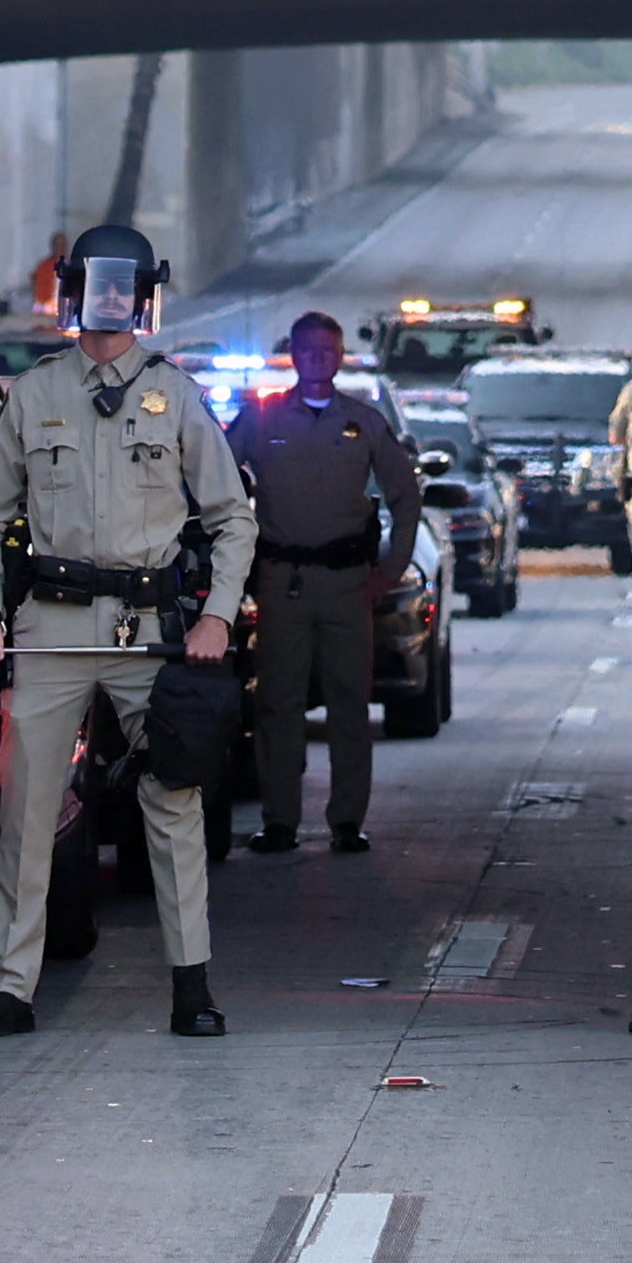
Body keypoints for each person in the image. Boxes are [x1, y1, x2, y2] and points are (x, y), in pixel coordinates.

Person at [0, 216, 254, 1036]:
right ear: (71, 293)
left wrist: (218, 618)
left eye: (128, 288)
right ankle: (9, 987)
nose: (113, 301)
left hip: (149, 625)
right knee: (28, 808)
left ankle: (192, 984)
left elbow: (233, 518)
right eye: (99, 286)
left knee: (173, 796)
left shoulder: (178, 394)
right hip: (51, 622)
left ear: (148, 297)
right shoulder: (36, 392)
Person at [222, 305, 422, 860]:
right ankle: (280, 821)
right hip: (282, 580)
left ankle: (347, 823)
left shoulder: (363, 422)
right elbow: (216, 482)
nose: (318, 360)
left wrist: (390, 570)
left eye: (328, 351)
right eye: (308, 351)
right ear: (293, 355)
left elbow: (406, 496)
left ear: (340, 356)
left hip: (347, 585)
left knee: (349, 706)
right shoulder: (263, 419)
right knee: (278, 706)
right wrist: (230, 560)